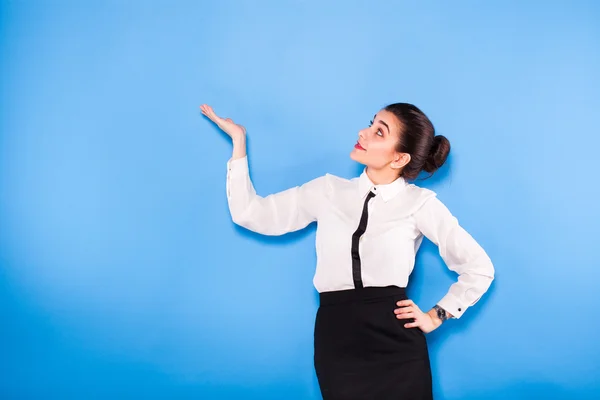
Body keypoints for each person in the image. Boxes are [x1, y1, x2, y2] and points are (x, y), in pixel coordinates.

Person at [200, 103, 495, 400]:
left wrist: (437, 315)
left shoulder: (419, 203)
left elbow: (479, 268)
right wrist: (238, 142)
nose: (363, 133)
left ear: (399, 157)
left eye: (379, 131)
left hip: (396, 341)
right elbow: (251, 213)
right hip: (337, 338)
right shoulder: (328, 190)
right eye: (371, 124)